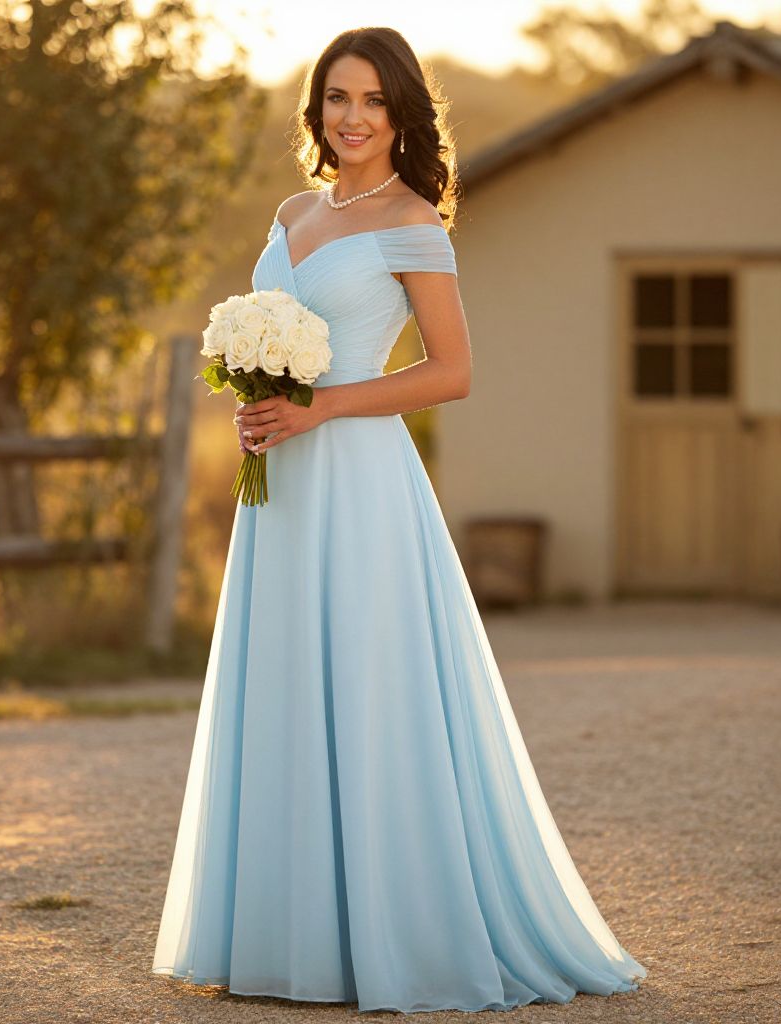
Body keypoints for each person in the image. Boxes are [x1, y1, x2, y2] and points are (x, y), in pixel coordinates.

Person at [152, 25, 647, 1014]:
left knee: (369, 689)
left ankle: (388, 936)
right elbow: (279, 343)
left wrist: (321, 406)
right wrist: (258, 402)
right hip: (280, 489)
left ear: (402, 113)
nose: (352, 117)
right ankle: (286, 940)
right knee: (287, 682)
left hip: (361, 483)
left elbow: (452, 371)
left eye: (372, 101)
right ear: (316, 109)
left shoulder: (414, 221)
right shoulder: (294, 210)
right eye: (336, 96)